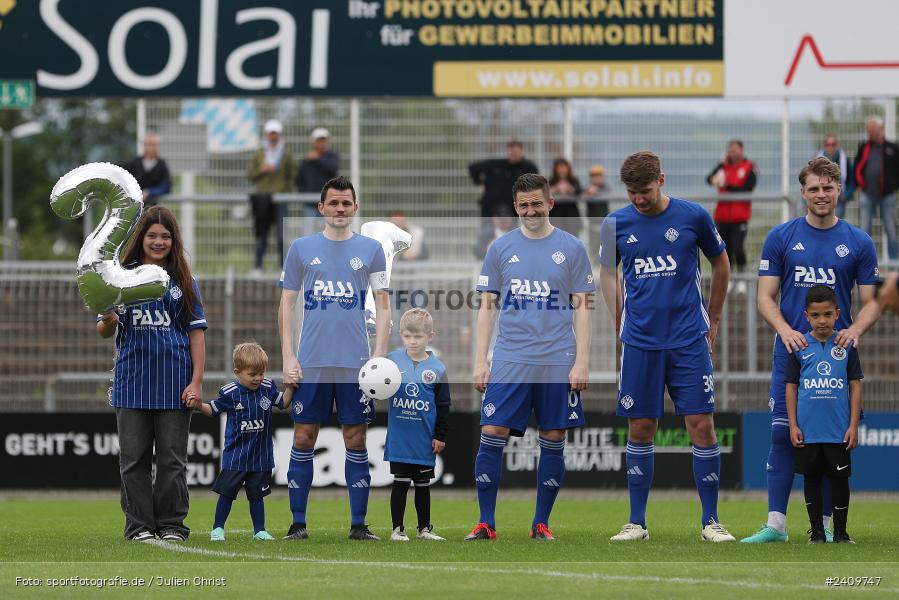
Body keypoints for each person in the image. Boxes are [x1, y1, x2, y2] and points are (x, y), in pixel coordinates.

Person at [599, 151, 734, 542]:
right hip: (640, 342)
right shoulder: (615, 224)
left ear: (661, 179)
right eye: (631, 193)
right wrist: (618, 319)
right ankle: (636, 523)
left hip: (689, 339)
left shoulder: (693, 217)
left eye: (644, 191)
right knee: (640, 427)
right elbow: (608, 274)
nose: (638, 199)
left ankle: (711, 521)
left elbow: (721, 264)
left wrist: (715, 316)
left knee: (702, 426)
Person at [742, 157, 879, 544]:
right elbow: (765, 297)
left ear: (839, 191)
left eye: (828, 187)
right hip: (792, 351)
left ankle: (827, 526)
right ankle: (776, 525)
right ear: (802, 192)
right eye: (814, 188)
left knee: (829, 442)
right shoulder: (781, 237)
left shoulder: (858, 241)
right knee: (784, 436)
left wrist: (854, 330)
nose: (821, 194)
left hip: (834, 356)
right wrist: (785, 330)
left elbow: (870, 301)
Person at [469, 173, 594, 542]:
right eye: (523, 205)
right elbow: (486, 307)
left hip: (558, 357)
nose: (531, 210)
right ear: (515, 207)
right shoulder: (500, 248)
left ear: (550, 203)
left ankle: (541, 523)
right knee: (492, 432)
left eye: (537, 203)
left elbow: (584, 308)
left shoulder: (572, 248)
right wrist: (481, 360)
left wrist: (582, 360)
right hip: (510, 357)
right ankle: (486, 523)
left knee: (553, 437)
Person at [279, 176, 390, 541]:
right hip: (311, 363)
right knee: (303, 437)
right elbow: (287, 304)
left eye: (347, 203)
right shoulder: (300, 248)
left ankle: (359, 525)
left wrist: (378, 356)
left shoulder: (372, 249)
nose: (340, 209)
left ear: (355, 208)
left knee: (356, 439)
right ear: (321, 208)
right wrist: (288, 356)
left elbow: (384, 305)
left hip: (355, 364)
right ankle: (298, 524)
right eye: (334, 203)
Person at [96, 205, 207, 541]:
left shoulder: (183, 281)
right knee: (134, 461)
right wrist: (109, 320)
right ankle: (139, 526)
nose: (159, 242)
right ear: (141, 238)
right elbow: (103, 328)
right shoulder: (120, 276)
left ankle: (173, 525)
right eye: (152, 236)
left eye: (166, 237)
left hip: (175, 384)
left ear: (174, 241)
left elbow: (196, 334)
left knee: (173, 461)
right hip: (131, 383)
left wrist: (196, 381)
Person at [187, 343, 295, 541]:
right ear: (238, 372)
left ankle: (260, 530)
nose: (258, 378)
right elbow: (213, 410)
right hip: (236, 457)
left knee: (257, 496)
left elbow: (283, 402)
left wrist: (290, 388)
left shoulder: (268, 387)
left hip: (260, 456)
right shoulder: (229, 393)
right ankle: (218, 529)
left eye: (261, 373)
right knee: (227, 494)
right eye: (252, 374)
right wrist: (197, 405)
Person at [785, 285, 862, 544]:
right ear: (806, 316)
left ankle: (841, 533)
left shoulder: (846, 345)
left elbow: (855, 385)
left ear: (837, 314)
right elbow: (791, 387)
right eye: (816, 315)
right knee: (812, 479)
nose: (822, 321)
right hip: (808, 430)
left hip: (838, 430)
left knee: (840, 481)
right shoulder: (798, 346)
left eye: (827, 314)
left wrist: (853, 425)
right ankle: (817, 533)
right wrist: (793, 424)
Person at [384, 308, 451, 542]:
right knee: (400, 483)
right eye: (407, 336)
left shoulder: (438, 368)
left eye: (418, 337)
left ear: (429, 336)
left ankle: (425, 529)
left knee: (423, 485)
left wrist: (440, 435)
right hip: (400, 438)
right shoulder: (391, 361)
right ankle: (397, 529)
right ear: (401, 335)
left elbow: (444, 406)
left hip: (424, 439)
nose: (412, 341)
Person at [247, 119, 296, 274]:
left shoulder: (286, 154)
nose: (273, 137)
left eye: (275, 134)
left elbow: (292, 176)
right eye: (271, 133)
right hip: (262, 198)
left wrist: (284, 191)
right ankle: (258, 266)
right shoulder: (260, 154)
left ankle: (283, 267)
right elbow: (250, 175)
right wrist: (262, 170)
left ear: (279, 135)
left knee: (281, 234)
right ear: (266, 135)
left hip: (280, 199)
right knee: (262, 233)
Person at [706, 140, 757, 274]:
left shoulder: (749, 166)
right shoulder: (723, 167)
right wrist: (720, 164)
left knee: (738, 248)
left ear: (742, 150)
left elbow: (748, 188)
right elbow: (709, 179)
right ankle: (728, 280)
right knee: (724, 251)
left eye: (734, 150)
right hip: (722, 216)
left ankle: (742, 279)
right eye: (730, 150)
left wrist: (727, 186)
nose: (732, 153)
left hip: (739, 216)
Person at [854, 116, 899, 260]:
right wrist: (859, 184)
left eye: (871, 130)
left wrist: (893, 187)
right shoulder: (864, 147)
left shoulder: (892, 148)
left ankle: (894, 263)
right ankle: (865, 260)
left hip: (887, 195)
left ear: (880, 129)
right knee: (865, 229)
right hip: (867, 194)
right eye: (868, 130)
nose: (869, 133)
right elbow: (857, 167)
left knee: (891, 229)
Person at [468, 140, 539, 218]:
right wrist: (480, 183)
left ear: (522, 151)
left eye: (516, 151)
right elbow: (473, 168)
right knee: (487, 228)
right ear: (507, 151)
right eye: (511, 151)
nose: (513, 153)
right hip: (491, 205)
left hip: (515, 206)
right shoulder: (495, 165)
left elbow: (535, 185)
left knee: (513, 229)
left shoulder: (529, 168)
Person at [297, 127, 340, 233]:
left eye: (323, 140)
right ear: (314, 142)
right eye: (318, 141)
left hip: (327, 204)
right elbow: (300, 179)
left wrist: (318, 159)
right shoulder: (307, 160)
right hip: (310, 204)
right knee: (309, 235)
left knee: (328, 234)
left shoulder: (332, 156)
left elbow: (332, 168)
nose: (321, 143)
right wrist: (304, 195)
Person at [122, 132, 171, 206]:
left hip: (153, 207)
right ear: (145, 145)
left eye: (155, 145)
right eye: (150, 144)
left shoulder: (161, 165)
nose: (153, 147)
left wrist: (149, 192)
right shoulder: (134, 163)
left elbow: (166, 186)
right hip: (134, 205)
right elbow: (124, 180)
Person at [816, 134, 855, 220]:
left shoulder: (844, 159)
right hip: (822, 197)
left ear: (836, 145)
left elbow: (852, 180)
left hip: (839, 198)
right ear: (824, 146)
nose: (830, 147)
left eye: (833, 144)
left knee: (836, 222)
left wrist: (845, 195)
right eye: (828, 144)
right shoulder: (817, 160)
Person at [548, 157, 583, 237]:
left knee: (572, 240)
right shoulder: (552, 181)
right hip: (556, 217)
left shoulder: (573, 180)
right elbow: (545, 192)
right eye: (559, 167)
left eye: (564, 167)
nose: (562, 170)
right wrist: (555, 189)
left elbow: (579, 191)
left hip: (572, 216)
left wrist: (570, 189)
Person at [582, 164, 611, 261]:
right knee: (594, 246)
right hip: (593, 224)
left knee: (606, 247)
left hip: (604, 223)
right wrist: (589, 192)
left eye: (599, 176)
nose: (597, 178)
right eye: (594, 176)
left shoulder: (606, 188)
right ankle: (594, 266)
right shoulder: (587, 188)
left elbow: (608, 192)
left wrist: (597, 192)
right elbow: (582, 195)